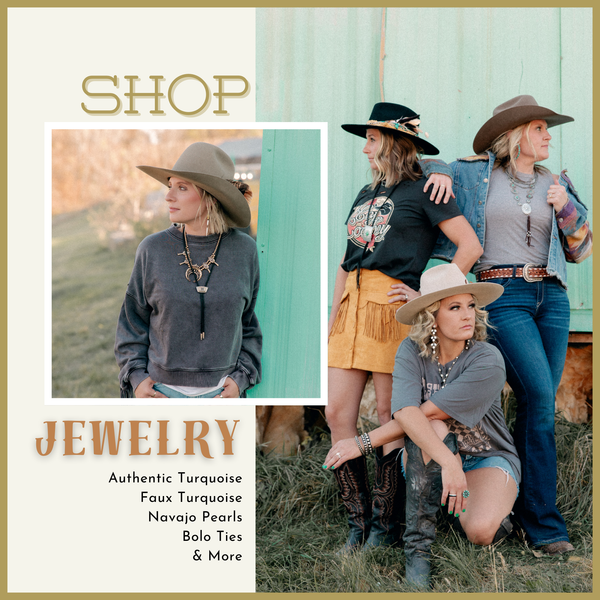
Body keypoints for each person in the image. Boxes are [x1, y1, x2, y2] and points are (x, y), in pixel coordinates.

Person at [428, 95, 592, 555]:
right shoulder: (475, 174)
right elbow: (419, 167)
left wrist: (565, 209)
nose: (548, 136)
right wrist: (439, 167)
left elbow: (582, 249)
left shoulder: (556, 183)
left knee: (535, 404)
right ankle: (544, 526)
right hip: (502, 296)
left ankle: (515, 510)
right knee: (540, 395)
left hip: (551, 297)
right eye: (540, 128)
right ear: (518, 133)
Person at [327, 102, 482, 552]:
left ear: (394, 142)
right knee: (338, 413)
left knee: (388, 416)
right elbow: (346, 257)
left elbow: (469, 244)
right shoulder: (365, 192)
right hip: (352, 306)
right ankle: (356, 524)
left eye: (371, 140)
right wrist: (334, 311)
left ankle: (384, 527)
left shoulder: (426, 190)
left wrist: (428, 295)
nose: (365, 149)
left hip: (389, 307)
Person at [325, 263, 520, 588]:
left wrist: (359, 444)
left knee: (482, 532)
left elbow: (427, 412)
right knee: (435, 433)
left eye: (470, 305)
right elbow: (405, 413)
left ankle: (468, 506)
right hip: (433, 455)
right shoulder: (411, 352)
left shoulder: (487, 359)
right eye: (454, 307)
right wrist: (448, 461)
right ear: (432, 316)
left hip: (486, 456)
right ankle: (417, 548)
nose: (467, 315)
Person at [115, 142, 262, 399]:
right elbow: (131, 324)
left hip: (222, 397)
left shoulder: (245, 251)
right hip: (160, 394)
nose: (168, 196)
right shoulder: (152, 249)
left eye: (182, 188)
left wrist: (240, 380)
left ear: (211, 196)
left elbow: (249, 326)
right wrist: (137, 379)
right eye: (170, 186)